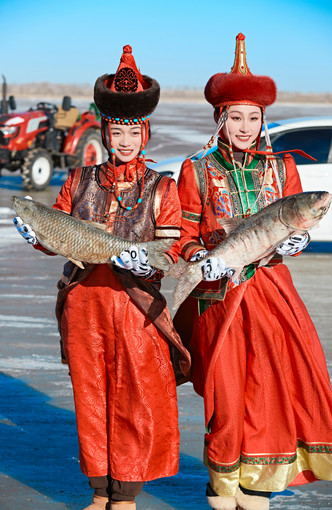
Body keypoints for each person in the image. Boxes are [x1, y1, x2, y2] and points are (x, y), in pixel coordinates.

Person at [14, 45, 190, 510]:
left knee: (134, 396)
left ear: (144, 131)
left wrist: (147, 263)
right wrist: (34, 232)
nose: (125, 138)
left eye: (133, 129)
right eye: (117, 128)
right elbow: (55, 234)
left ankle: (127, 492)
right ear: (106, 130)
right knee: (91, 396)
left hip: (135, 307)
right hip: (85, 302)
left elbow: (171, 248)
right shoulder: (79, 179)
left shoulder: (162, 187)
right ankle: (99, 489)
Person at [173, 33, 332, 510]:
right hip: (218, 297)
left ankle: (257, 492)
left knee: (269, 387)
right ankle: (222, 490)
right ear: (218, 119)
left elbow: (296, 229)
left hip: (272, 296)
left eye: (253, 117)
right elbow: (182, 232)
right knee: (225, 397)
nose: (244, 127)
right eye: (235, 117)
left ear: (263, 121)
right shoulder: (195, 170)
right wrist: (197, 256)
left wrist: (295, 242)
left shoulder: (283, 166)